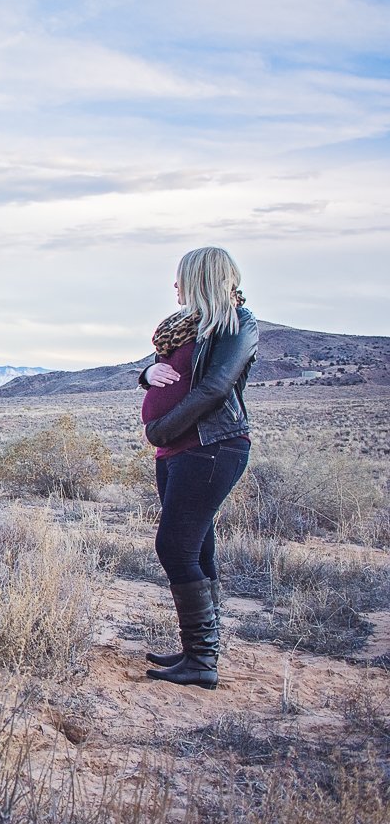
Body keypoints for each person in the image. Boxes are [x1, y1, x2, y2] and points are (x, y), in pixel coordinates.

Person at [138, 246, 258, 690]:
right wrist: (147, 376)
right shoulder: (188, 329)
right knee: (198, 549)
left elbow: (214, 387)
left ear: (202, 277)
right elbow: (170, 371)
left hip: (212, 447)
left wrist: (162, 428)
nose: (175, 285)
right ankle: (197, 651)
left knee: (175, 548)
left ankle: (203, 661)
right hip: (178, 453)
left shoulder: (236, 324)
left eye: (182, 277)